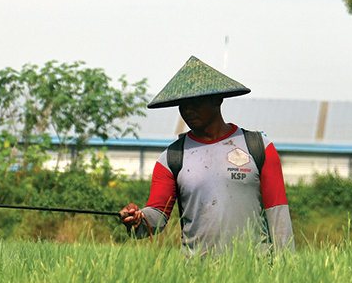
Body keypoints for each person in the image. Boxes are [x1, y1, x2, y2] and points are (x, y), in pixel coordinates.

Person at [120, 56, 294, 255]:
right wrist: (137, 218)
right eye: (182, 104)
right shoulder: (172, 158)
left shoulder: (258, 147)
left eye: (195, 101)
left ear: (217, 99)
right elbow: (157, 216)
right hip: (197, 274)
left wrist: (286, 266)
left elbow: (278, 213)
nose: (188, 110)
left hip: (255, 270)